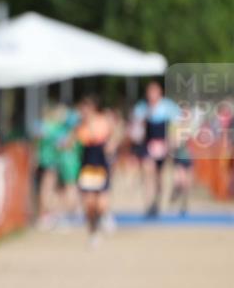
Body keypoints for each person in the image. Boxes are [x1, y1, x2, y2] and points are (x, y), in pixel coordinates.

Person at [74, 96, 120, 247]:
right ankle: (93, 233)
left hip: (100, 165)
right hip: (87, 166)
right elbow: (75, 141)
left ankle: (105, 217)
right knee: (89, 204)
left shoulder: (102, 121)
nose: (83, 111)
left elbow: (113, 134)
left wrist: (112, 144)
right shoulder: (80, 125)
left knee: (101, 204)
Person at [131, 81, 182, 217]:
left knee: (159, 176)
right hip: (147, 144)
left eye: (154, 92)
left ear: (160, 93)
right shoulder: (141, 108)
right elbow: (136, 128)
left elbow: (176, 125)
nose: (152, 95)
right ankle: (148, 203)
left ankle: (157, 202)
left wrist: (173, 142)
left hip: (163, 145)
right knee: (148, 172)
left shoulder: (168, 107)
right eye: (150, 92)